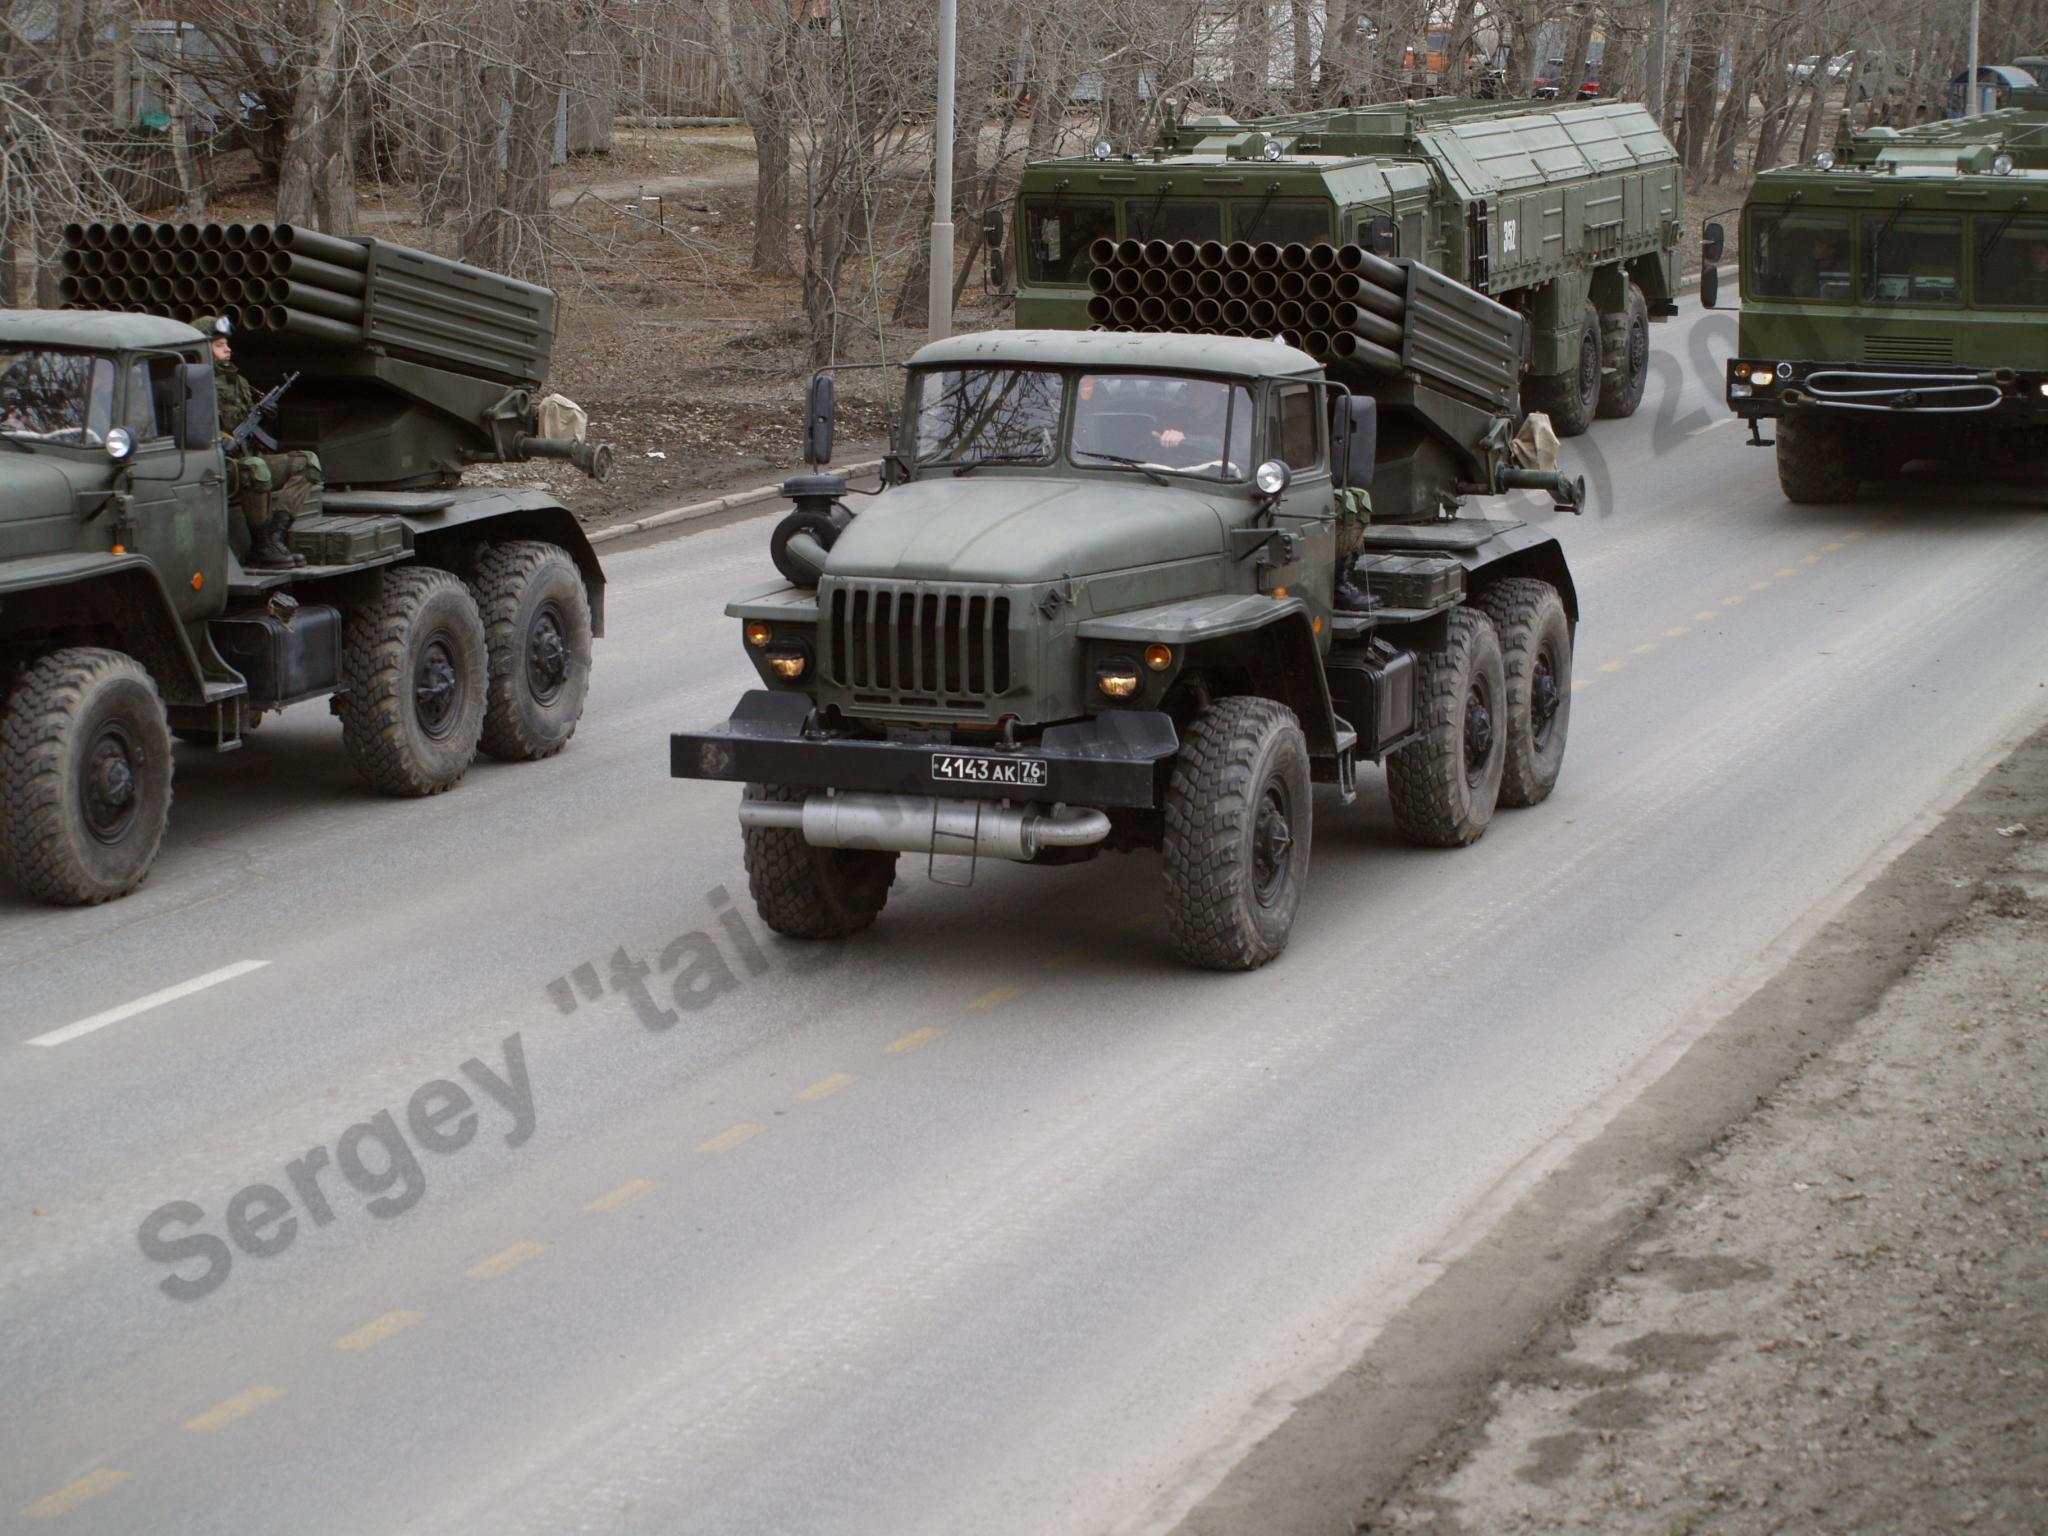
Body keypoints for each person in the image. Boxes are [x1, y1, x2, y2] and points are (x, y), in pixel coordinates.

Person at [199, 315, 317, 570]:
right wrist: (221, 440)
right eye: (219, 344)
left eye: (226, 344)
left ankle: (275, 537)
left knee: (307, 463)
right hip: (215, 466)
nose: (227, 349)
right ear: (202, 347)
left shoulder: (238, 382)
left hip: (245, 458)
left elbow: (247, 422)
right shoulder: (197, 385)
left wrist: (267, 418)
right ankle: (261, 546)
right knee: (256, 468)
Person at [1151, 381, 1233, 470]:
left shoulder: (1232, 419)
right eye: (1190, 386)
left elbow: (1232, 449)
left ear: (1216, 388)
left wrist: (1184, 439)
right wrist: (1160, 441)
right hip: (1167, 475)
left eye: (1199, 386)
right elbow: (1149, 445)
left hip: (1217, 478)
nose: (1192, 391)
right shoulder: (1172, 417)